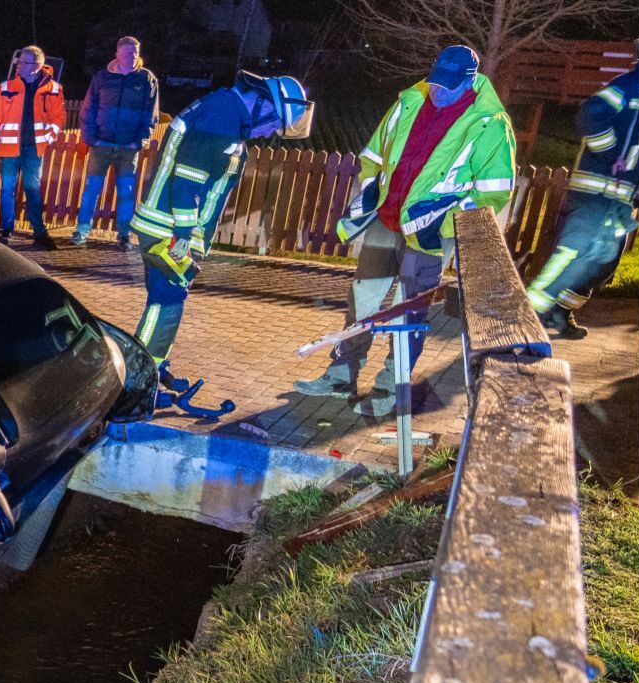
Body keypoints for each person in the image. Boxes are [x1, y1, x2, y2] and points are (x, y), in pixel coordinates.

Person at [295, 45, 515, 416]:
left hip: (431, 235)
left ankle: (391, 388)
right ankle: (339, 376)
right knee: (363, 299)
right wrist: (370, 195)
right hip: (387, 218)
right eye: (436, 82)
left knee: (407, 312)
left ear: (470, 80)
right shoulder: (409, 101)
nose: (439, 91)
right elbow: (375, 155)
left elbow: (494, 190)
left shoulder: (490, 122)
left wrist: (443, 218)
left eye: (449, 86)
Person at [131, 71, 314, 365]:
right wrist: (186, 234)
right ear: (264, 105)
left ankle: (151, 367)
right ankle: (141, 374)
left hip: (169, 225)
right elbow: (188, 180)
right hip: (170, 229)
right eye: (274, 123)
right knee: (166, 302)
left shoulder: (226, 113)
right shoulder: (222, 116)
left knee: (166, 300)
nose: (269, 133)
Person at [525, 38, 639, 340]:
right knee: (574, 254)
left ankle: (559, 312)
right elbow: (590, 113)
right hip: (596, 192)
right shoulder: (629, 86)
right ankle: (530, 312)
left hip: (621, 197)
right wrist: (610, 153)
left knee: (603, 263)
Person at [71, 36, 158, 248]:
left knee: (126, 193)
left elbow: (150, 114)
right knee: (91, 189)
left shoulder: (146, 79)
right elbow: (88, 108)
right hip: (101, 145)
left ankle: (124, 235)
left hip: (128, 148)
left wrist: (138, 142)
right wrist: (91, 138)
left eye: (136, 52)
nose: (133, 56)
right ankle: (82, 231)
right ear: (117, 53)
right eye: (129, 52)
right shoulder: (102, 78)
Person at [0, 45, 66, 247]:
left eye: (24, 62)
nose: (19, 65)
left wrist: (48, 137)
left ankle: (39, 233)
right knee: (7, 190)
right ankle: (7, 230)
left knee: (33, 190)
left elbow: (59, 117)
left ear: (37, 66)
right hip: (9, 149)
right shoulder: (4, 88)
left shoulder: (54, 89)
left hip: (34, 150)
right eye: (19, 61)